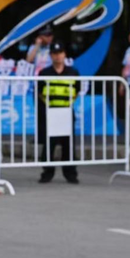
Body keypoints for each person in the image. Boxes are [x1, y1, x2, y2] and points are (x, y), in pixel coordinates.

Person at [37, 42, 80, 184]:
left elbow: (77, 91)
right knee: (49, 144)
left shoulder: (73, 72)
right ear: (51, 56)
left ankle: (70, 173)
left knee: (68, 144)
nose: (58, 56)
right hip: (51, 112)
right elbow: (39, 93)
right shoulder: (44, 73)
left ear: (64, 54)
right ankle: (47, 173)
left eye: (60, 53)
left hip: (67, 112)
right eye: (55, 54)